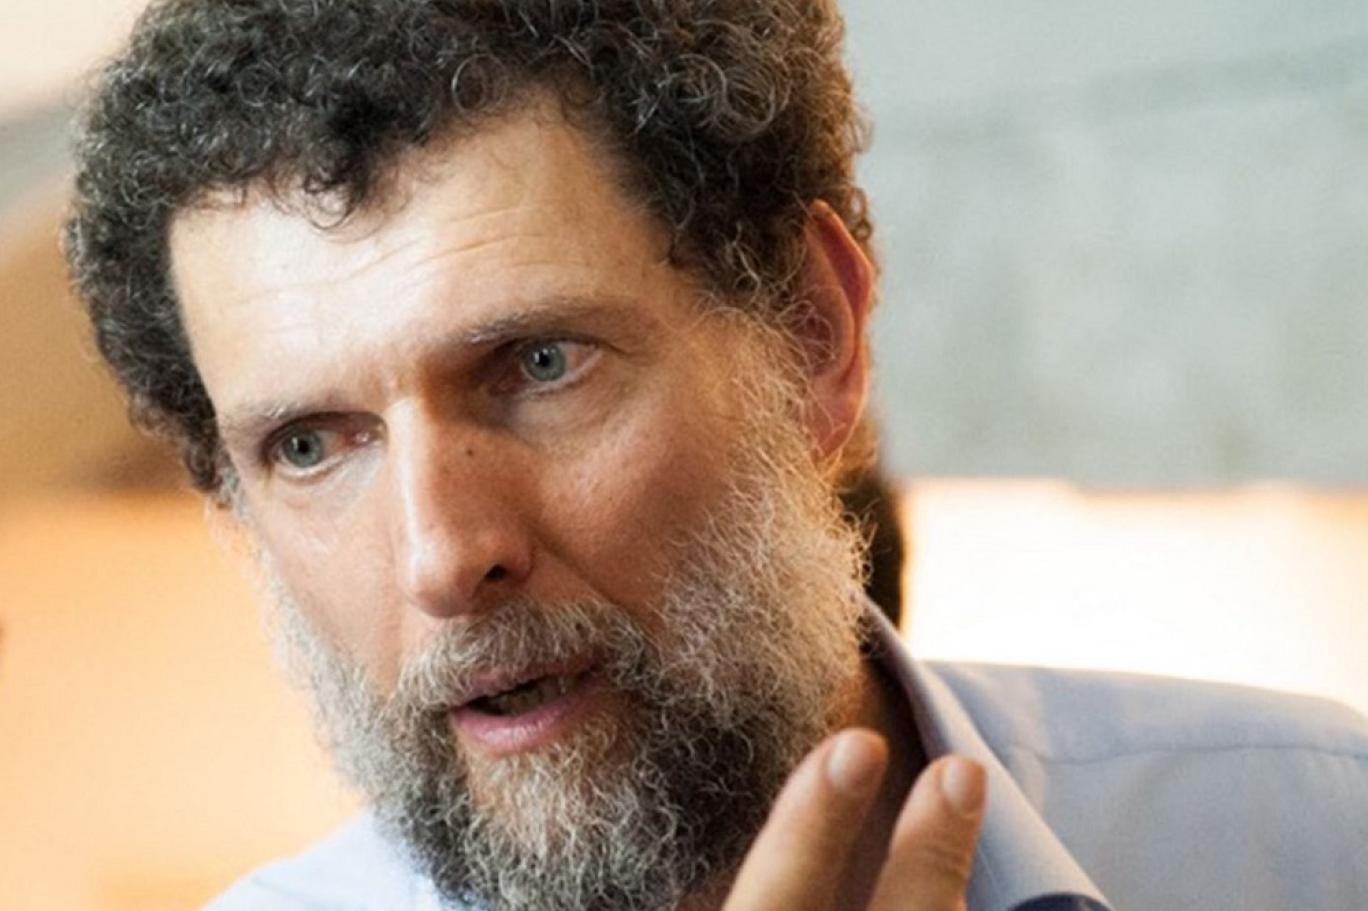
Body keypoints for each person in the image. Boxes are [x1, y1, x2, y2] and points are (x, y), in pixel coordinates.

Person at [64, 2, 1368, 910]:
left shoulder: (1313, 839)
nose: (445, 556)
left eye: (538, 365)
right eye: (308, 445)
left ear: (810, 335)